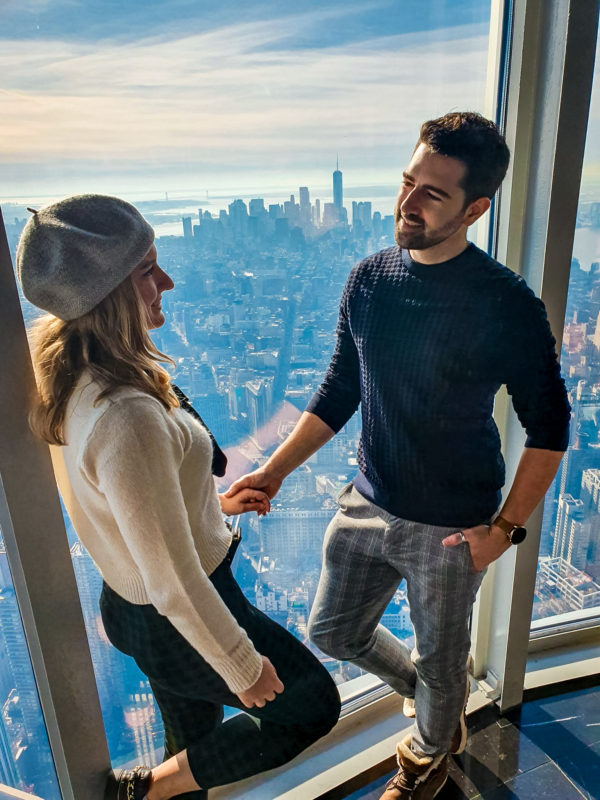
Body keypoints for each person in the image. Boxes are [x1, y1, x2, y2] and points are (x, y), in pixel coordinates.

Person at [226, 112, 571, 799]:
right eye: (408, 181)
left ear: (475, 208)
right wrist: (272, 470)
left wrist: (503, 533)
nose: (407, 205)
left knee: (444, 663)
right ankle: (434, 702)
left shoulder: (505, 305)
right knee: (333, 630)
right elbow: (339, 389)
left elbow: (550, 427)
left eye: (432, 194)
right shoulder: (370, 279)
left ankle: (427, 759)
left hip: (450, 527)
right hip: (364, 500)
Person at [16, 194, 340, 800]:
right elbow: (171, 577)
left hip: (145, 606)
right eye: (146, 271)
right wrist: (243, 667)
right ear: (107, 292)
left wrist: (209, 505)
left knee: (190, 749)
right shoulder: (125, 415)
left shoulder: (71, 374)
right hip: (174, 611)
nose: (166, 281)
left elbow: (129, 508)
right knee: (310, 705)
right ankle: (136, 794)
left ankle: (155, 791)